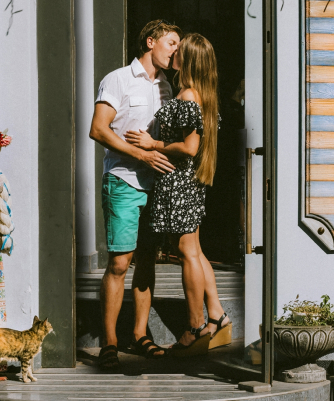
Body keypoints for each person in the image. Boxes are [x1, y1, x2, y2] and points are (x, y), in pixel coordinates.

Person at [125, 33, 231, 357]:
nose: (174, 53)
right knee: (193, 250)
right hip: (187, 182)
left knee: (187, 253)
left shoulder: (187, 97)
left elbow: (189, 147)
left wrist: (152, 144)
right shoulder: (200, 95)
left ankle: (195, 326)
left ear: (189, 60)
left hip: (179, 181)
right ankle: (217, 315)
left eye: (179, 50)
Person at [89, 19, 183, 369]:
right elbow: (98, 129)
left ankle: (141, 334)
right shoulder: (118, 79)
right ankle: (110, 341)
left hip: (157, 185)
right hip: (123, 180)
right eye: (171, 42)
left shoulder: (168, 86)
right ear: (150, 42)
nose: (176, 49)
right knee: (119, 262)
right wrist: (141, 154)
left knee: (147, 261)